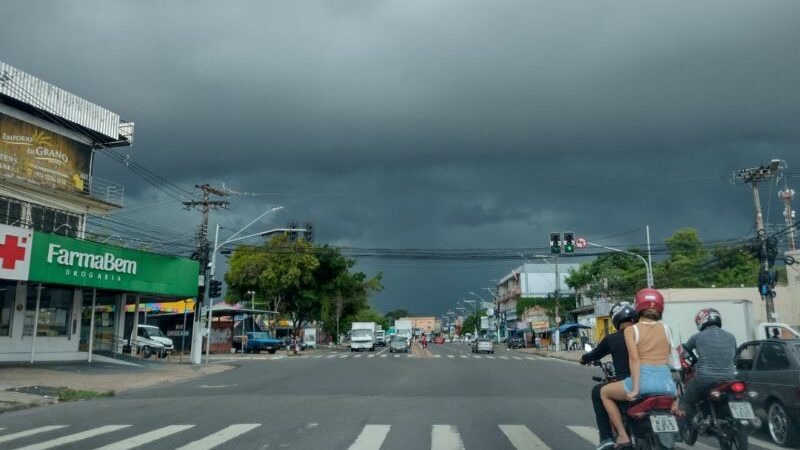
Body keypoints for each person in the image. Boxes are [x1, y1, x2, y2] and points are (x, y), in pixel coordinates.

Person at [600, 288, 677, 449]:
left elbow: (634, 360)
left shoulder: (631, 330)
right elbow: (673, 361)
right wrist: (676, 396)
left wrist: (635, 389)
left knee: (604, 393)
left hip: (644, 383)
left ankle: (622, 435)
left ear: (638, 307)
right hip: (668, 386)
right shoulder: (666, 329)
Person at [581, 301, 638, 450]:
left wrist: (583, 359)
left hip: (627, 383)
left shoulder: (612, 339)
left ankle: (606, 438)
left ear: (616, 320)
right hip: (654, 382)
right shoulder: (644, 334)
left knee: (597, 392)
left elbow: (594, 354)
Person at [673, 308, 736, 440]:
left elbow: (683, 351)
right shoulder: (731, 336)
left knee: (686, 401)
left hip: (705, 378)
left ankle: (679, 432)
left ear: (701, 321)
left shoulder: (698, 337)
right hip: (730, 378)